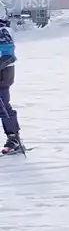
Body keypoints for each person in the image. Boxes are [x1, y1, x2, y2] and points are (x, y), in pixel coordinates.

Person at [0, 13, 22, 155]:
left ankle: (13, 138)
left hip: (3, 75)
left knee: (2, 105)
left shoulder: (2, 31)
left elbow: (9, 55)